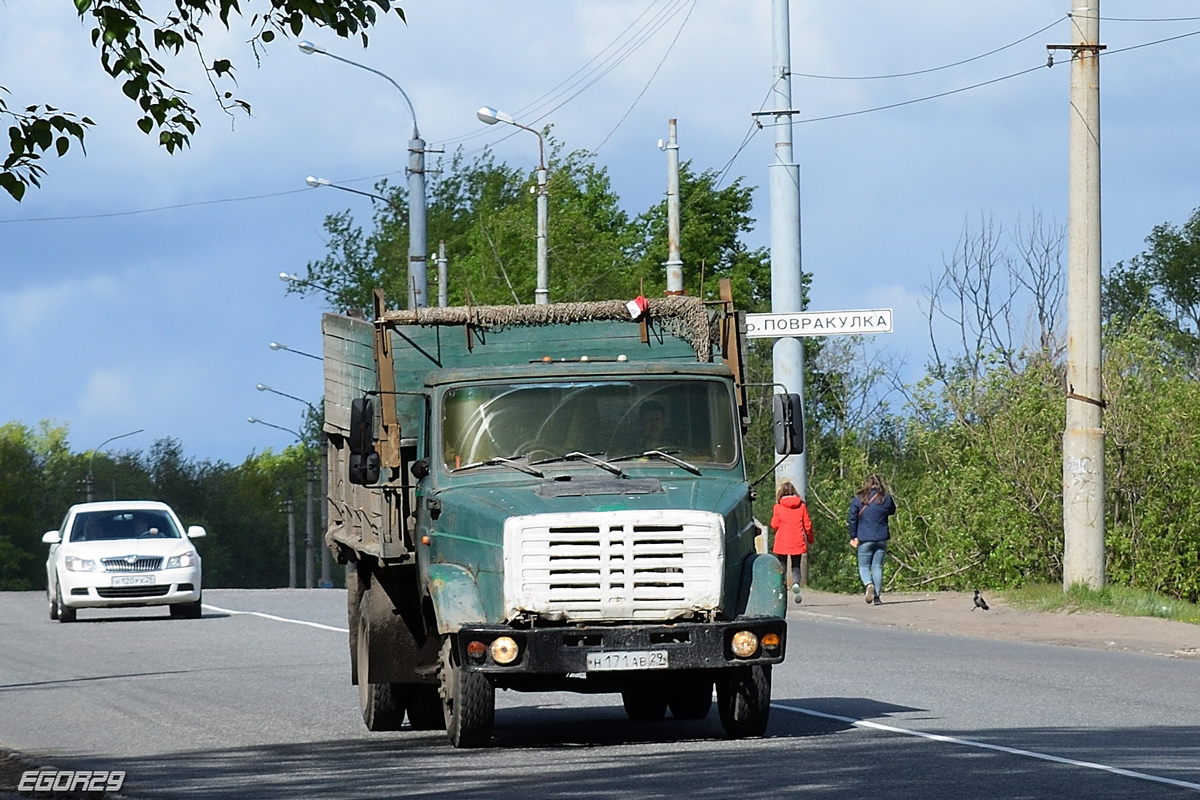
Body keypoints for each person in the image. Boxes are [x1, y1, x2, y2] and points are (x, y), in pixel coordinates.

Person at [848, 474, 896, 605]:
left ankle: (868, 584)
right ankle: (877, 597)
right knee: (877, 566)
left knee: (864, 566)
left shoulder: (859, 498)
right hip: (882, 537)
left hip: (864, 537)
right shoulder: (885, 498)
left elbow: (852, 518)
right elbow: (892, 510)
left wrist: (853, 536)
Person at [770, 481, 813, 604]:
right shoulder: (801, 506)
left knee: (781, 566)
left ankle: (780, 589)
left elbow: (774, 524)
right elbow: (808, 525)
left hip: (782, 541)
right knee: (796, 566)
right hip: (797, 540)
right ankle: (795, 584)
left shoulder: (778, 507)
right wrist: (810, 539)